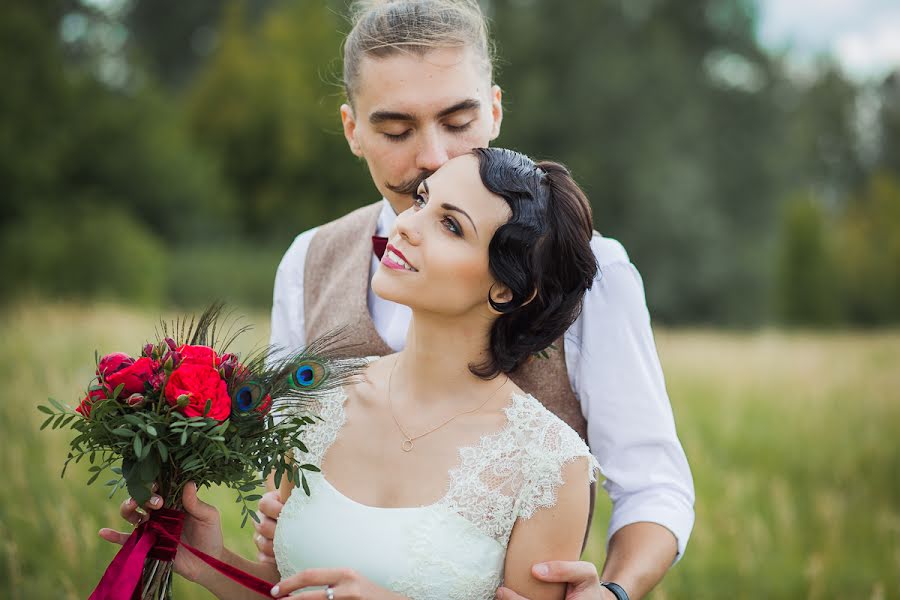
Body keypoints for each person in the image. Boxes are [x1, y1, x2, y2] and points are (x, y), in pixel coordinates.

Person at [116, 1, 695, 598]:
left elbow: (653, 483)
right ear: (352, 130)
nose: (433, 158)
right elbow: (284, 503)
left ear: (494, 109)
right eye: (396, 130)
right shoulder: (306, 264)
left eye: (458, 121)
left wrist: (616, 592)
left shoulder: (593, 275)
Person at [103, 147, 605, 599]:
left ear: (507, 290)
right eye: (422, 200)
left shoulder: (550, 464)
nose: (407, 224)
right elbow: (285, 592)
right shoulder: (317, 397)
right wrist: (209, 562)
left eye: (451, 225)